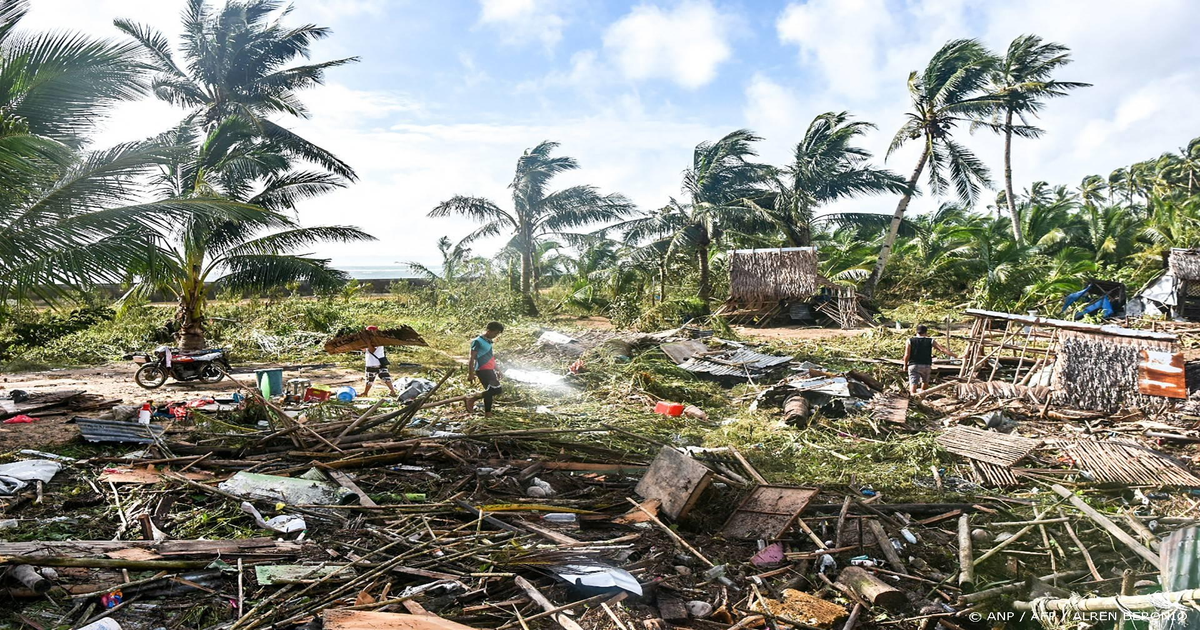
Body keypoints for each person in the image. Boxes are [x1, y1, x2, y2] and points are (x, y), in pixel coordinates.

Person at [903, 324, 957, 394]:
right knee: (925, 382)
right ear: (926, 332)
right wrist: (955, 355)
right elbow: (942, 349)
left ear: (917, 332)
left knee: (913, 382)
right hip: (926, 365)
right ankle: (922, 396)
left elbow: (907, 354)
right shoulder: (930, 340)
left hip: (914, 365)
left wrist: (905, 365)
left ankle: (913, 397)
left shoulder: (910, 340)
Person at [466, 321, 504, 417]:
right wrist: (471, 373)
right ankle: (473, 398)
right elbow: (472, 358)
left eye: (497, 333)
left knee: (490, 391)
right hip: (482, 369)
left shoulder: (488, 342)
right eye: (495, 333)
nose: (496, 335)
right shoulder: (477, 341)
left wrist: (498, 370)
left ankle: (488, 413)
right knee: (496, 390)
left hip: (489, 369)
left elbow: (490, 358)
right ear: (488, 330)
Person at [362, 326, 397, 397]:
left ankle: (365, 393)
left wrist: (368, 342)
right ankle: (392, 391)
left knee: (369, 379)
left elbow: (372, 350)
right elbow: (365, 350)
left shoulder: (375, 340)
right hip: (380, 362)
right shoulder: (378, 339)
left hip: (372, 363)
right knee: (385, 377)